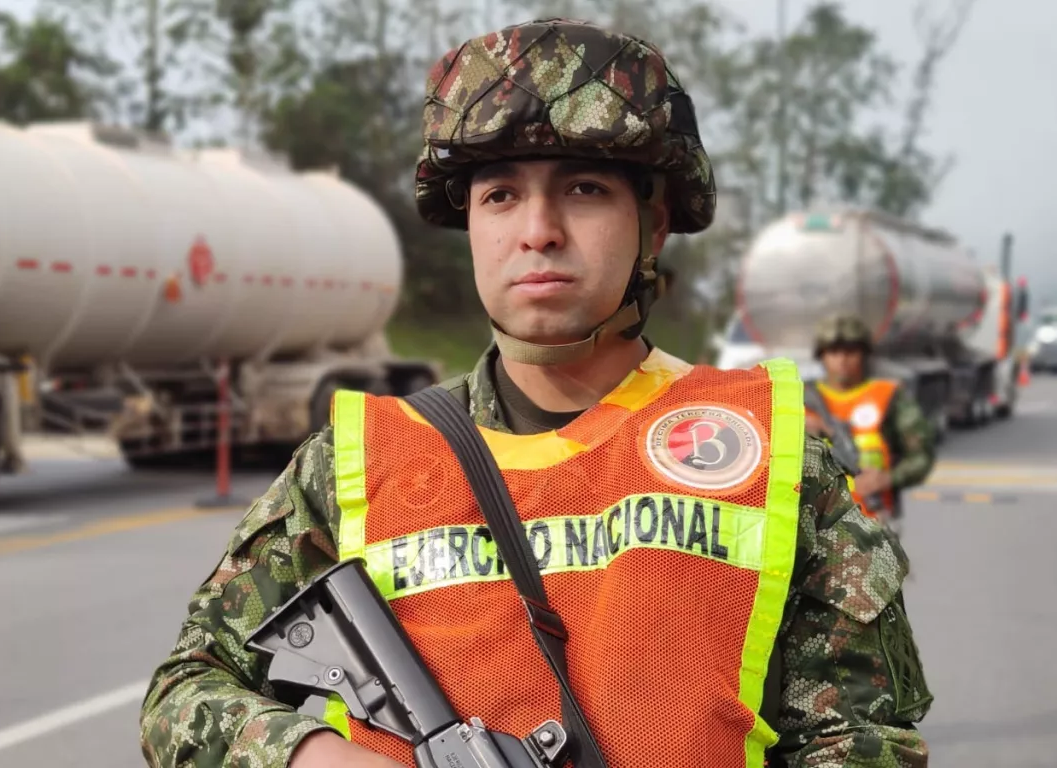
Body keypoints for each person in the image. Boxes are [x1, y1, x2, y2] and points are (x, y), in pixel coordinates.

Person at [139, 18, 931, 768]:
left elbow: (858, 740)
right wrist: (318, 756)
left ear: (652, 228)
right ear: (473, 229)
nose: (539, 230)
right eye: (501, 195)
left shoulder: (772, 452)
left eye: (584, 190)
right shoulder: (353, 463)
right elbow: (185, 691)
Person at [809, 314, 937, 533]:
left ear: (864, 355)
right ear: (822, 356)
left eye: (850, 352)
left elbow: (921, 456)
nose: (842, 360)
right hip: (812, 528)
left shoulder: (889, 397)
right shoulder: (800, 400)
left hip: (872, 526)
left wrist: (887, 478)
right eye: (833, 352)